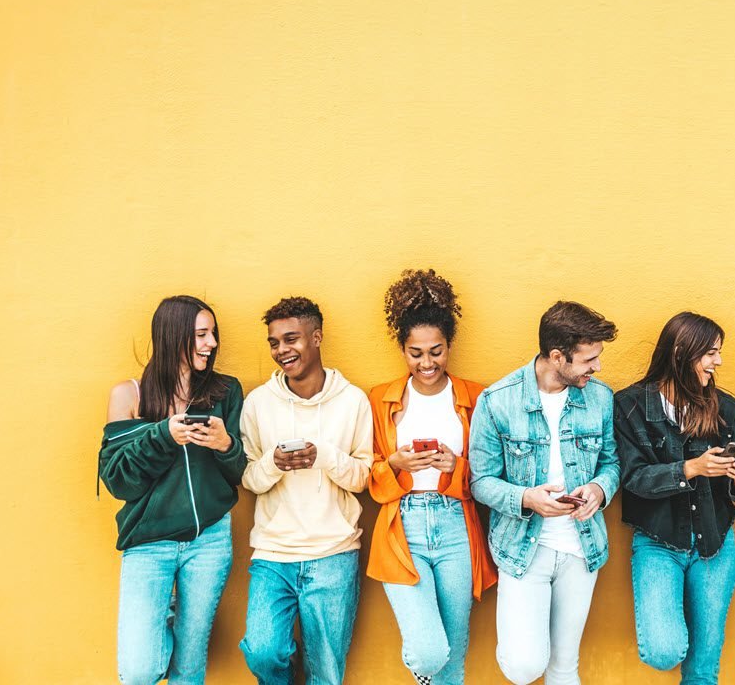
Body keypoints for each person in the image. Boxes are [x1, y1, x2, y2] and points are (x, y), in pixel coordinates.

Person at [469, 301, 621, 685]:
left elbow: (612, 463)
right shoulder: (497, 400)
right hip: (523, 548)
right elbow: (480, 481)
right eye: (588, 360)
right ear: (557, 357)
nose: (596, 367)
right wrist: (526, 499)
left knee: (564, 665)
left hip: (581, 547)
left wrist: (600, 490)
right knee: (524, 666)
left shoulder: (600, 398)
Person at [100, 295, 246, 685]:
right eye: (201, 334)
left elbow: (239, 474)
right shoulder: (128, 396)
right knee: (138, 670)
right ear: (172, 337)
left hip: (209, 540)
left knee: (189, 664)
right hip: (149, 544)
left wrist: (225, 445)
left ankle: (174, 613)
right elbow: (119, 481)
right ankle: (165, 612)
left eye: (212, 334)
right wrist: (163, 435)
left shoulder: (225, 391)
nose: (211, 344)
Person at [366, 269, 498, 685]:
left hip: (457, 524)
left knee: (452, 660)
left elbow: (492, 474)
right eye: (416, 353)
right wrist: (397, 466)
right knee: (429, 652)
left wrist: (453, 468)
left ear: (449, 346)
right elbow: (369, 475)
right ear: (402, 350)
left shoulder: (477, 397)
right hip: (402, 526)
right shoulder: (380, 398)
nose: (427, 363)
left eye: (436, 351)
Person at [613, 312, 735, 685]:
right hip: (659, 543)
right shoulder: (631, 405)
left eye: (718, 353)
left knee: (703, 668)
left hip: (715, 544)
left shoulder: (725, 408)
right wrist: (690, 469)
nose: (718, 362)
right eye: (710, 353)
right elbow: (632, 478)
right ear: (680, 352)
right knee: (664, 651)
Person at [238, 297, 373, 685]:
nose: (282, 350)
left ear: (316, 338)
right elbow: (248, 477)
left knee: (326, 674)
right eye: (274, 342)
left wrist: (324, 456)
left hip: (334, 553)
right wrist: (273, 464)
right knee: (264, 652)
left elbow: (363, 478)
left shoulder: (353, 401)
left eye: (291, 339)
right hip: (273, 553)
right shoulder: (258, 403)